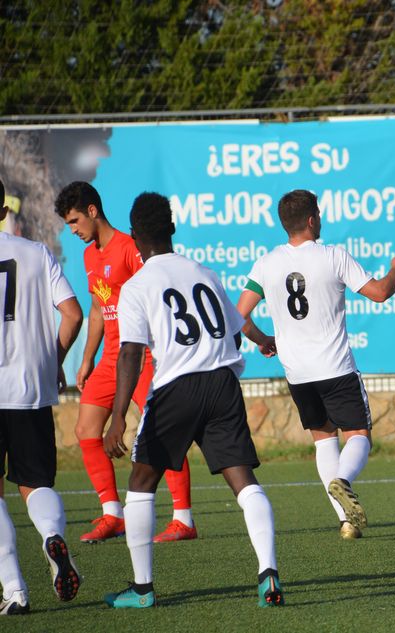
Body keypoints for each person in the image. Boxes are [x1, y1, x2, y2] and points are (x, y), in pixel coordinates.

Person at [102, 192, 282, 608]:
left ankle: (143, 590)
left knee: (141, 483)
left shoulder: (137, 286)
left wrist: (117, 419)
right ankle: (268, 574)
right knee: (243, 482)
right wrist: (262, 341)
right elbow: (237, 328)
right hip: (222, 383)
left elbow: (130, 353)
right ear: (173, 229)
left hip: (177, 387)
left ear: (133, 236)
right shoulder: (204, 271)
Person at [237, 189, 395, 540]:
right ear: (312, 219)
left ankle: (347, 521)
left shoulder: (266, 263)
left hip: (298, 374)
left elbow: (238, 315)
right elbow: (379, 293)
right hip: (335, 368)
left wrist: (263, 340)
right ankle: (343, 481)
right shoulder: (332, 256)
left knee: (323, 441)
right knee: (359, 435)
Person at [54, 182, 195, 543]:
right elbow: (99, 310)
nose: (73, 231)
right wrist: (86, 360)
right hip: (110, 360)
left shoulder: (130, 248)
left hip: (142, 356)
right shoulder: (89, 256)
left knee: (164, 432)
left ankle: (183, 518)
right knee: (86, 429)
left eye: (73, 222)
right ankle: (113, 515)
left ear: (91, 211)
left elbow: (157, 288)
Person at [0, 179, 84, 614]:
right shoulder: (36, 253)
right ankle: (53, 537)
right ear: (3, 208)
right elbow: (72, 313)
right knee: (36, 483)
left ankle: (14, 589)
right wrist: (53, 362)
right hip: (31, 388)